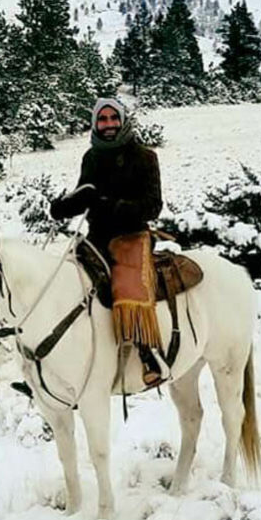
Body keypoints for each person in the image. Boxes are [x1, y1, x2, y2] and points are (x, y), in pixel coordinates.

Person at [49, 97, 166, 387]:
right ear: (95, 123)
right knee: (62, 283)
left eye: (114, 118)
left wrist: (109, 205)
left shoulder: (144, 156)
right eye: (103, 119)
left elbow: (153, 205)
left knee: (128, 287)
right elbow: (84, 194)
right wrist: (65, 205)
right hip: (96, 238)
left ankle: (147, 352)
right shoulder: (91, 157)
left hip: (131, 236)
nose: (109, 124)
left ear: (123, 120)